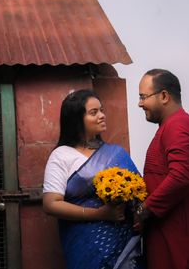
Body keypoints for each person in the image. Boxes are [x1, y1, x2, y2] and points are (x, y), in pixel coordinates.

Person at [43, 89, 143, 269]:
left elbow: (140, 191)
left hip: (124, 244)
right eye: (94, 112)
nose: (102, 116)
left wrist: (138, 213)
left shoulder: (115, 153)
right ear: (76, 119)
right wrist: (99, 214)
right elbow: (51, 204)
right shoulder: (61, 156)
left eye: (102, 110)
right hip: (85, 246)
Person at [133, 69, 189, 269]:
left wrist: (144, 209)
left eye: (143, 97)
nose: (139, 103)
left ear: (164, 96)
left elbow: (182, 176)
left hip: (182, 246)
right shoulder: (171, 126)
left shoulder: (178, 126)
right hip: (170, 238)